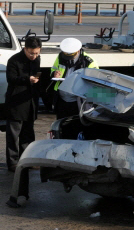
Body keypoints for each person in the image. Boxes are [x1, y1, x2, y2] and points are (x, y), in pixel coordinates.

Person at [5, 37, 42, 172]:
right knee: (14, 135)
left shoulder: (37, 60)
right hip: (16, 102)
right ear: (25, 49)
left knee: (28, 133)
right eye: (31, 53)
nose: (34, 56)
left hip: (30, 101)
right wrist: (28, 79)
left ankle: (27, 160)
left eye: (37, 53)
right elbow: (11, 79)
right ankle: (13, 162)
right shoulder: (14, 60)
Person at [51, 38, 98, 119]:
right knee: (61, 124)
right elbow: (54, 68)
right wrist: (54, 73)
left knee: (76, 125)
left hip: (78, 101)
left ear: (78, 51)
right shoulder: (61, 57)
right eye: (66, 56)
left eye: (71, 56)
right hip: (62, 100)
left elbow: (95, 83)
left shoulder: (89, 62)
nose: (69, 59)